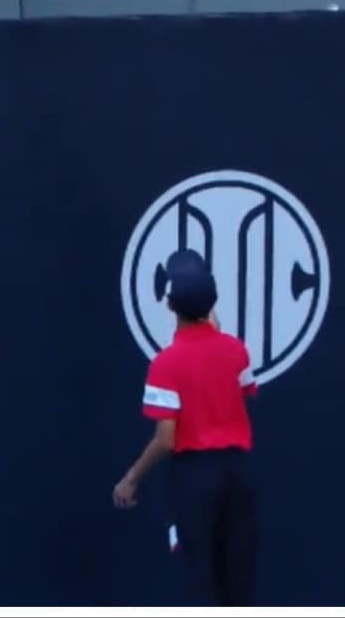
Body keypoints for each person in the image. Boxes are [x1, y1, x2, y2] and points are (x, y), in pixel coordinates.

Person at [113, 249, 257, 607]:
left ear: (170, 305)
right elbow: (245, 390)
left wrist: (132, 477)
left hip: (194, 478)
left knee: (200, 578)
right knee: (235, 579)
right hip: (237, 474)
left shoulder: (165, 363)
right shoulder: (236, 350)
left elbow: (165, 439)